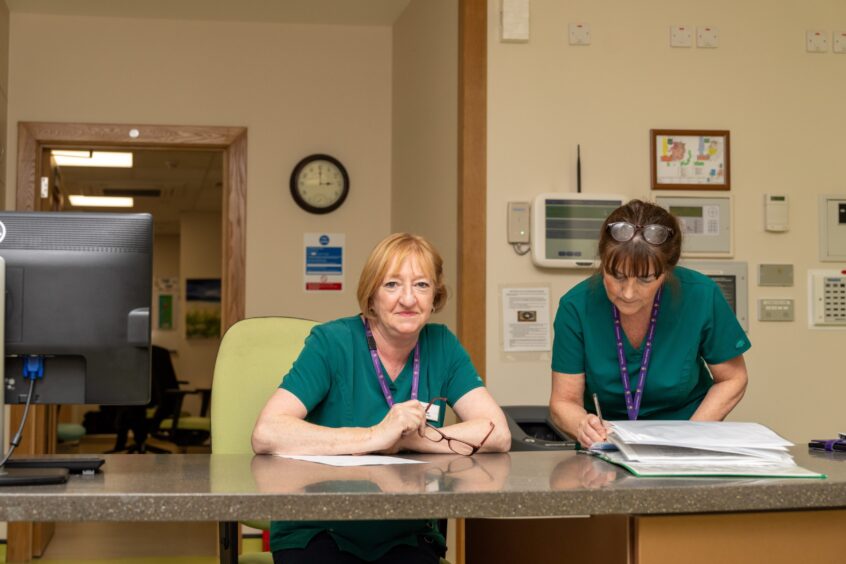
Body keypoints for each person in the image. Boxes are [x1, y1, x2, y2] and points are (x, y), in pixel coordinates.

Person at [252, 232, 510, 564]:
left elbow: (497, 432)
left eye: (421, 285)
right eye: (392, 285)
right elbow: (267, 432)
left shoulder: (442, 345)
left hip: (406, 532)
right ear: (371, 296)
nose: (408, 299)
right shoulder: (332, 343)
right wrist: (376, 435)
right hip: (319, 528)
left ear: (435, 297)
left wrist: (406, 440)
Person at [549, 199, 750, 448]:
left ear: (666, 271)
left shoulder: (701, 296)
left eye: (645, 279)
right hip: (608, 445)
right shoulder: (577, 306)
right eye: (617, 276)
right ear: (602, 263)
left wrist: (692, 437)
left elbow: (732, 379)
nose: (629, 293)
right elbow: (563, 402)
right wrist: (582, 425)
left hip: (686, 439)